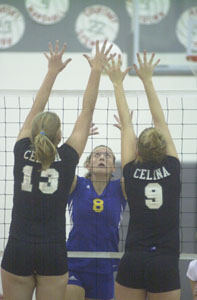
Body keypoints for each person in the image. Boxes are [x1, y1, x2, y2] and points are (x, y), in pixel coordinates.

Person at [1, 39, 111, 300]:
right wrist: (96, 70)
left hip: (18, 247)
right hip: (52, 251)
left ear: (35, 131)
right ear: (61, 135)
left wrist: (51, 71)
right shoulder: (68, 157)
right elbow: (87, 111)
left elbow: (35, 108)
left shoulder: (21, 150)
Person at [106, 52, 181, 300]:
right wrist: (148, 80)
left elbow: (127, 125)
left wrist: (117, 83)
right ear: (164, 147)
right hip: (166, 260)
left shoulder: (131, 170)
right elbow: (160, 120)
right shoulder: (172, 167)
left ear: (138, 150)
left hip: (135, 257)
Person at [65, 141, 127, 300]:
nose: (102, 158)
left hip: (104, 267)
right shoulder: (76, 183)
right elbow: (64, 165)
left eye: (107, 156)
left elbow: (131, 169)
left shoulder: (120, 187)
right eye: (97, 155)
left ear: (113, 167)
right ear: (88, 165)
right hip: (75, 263)